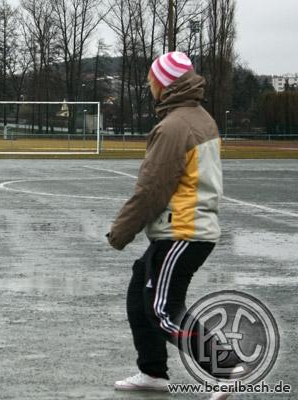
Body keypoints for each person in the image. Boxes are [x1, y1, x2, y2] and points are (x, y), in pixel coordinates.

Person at [106, 52, 225, 396]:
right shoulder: (198, 117)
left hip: (183, 232)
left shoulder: (174, 126)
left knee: (162, 310)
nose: (148, 85)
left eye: (151, 80)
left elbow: (152, 189)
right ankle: (153, 372)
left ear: (165, 83)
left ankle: (225, 368)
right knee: (138, 292)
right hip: (183, 230)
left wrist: (121, 232)